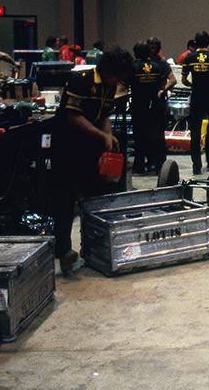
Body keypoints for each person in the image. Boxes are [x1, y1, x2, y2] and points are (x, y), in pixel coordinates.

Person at [51, 46, 134, 273]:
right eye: (119, 75)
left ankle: (92, 249)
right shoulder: (81, 80)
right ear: (109, 71)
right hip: (65, 145)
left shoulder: (109, 86)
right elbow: (73, 117)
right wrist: (101, 136)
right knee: (66, 199)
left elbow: (104, 114)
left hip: (87, 146)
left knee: (93, 196)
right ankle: (63, 251)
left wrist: (108, 136)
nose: (120, 80)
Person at [181, 31, 209, 175]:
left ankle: (196, 166)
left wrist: (192, 85)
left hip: (196, 97)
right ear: (208, 42)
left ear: (195, 42)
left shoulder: (189, 58)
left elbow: (183, 80)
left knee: (195, 130)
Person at [130, 41, 170, 174]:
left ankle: (139, 166)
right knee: (156, 137)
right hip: (155, 107)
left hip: (139, 106)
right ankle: (159, 165)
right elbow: (162, 86)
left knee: (140, 137)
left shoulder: (133, 67)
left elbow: (123, 86)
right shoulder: (157, 67)